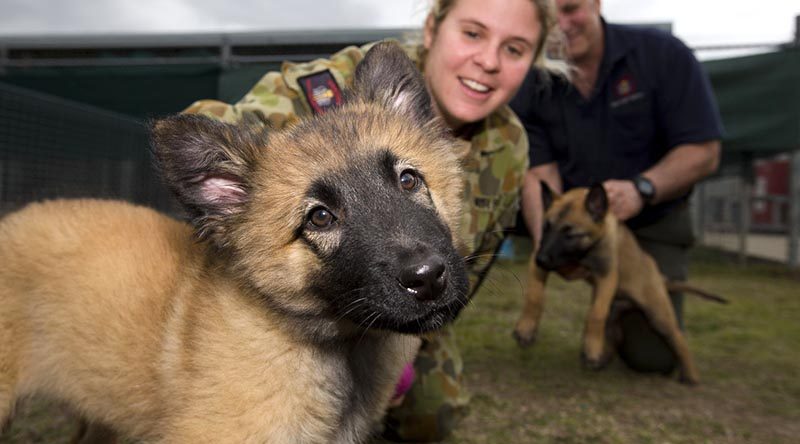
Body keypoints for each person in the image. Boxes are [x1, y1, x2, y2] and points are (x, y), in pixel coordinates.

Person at [183, 0, 558, 440]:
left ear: (533, 60)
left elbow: (466, 271)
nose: (489, 61)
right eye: (473, 34)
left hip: (422, 288)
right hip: (323, 303)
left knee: (431, 415)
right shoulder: (332, 86)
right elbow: (206, 136)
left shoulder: (509, 140)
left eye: (514, 49)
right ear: (434, 29)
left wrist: (401, 347)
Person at [510, 0, 723, 375]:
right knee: (552, 247)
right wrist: (550, 240)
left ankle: (613, 323)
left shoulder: (662, 55)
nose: (561, 24)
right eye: (549, 15)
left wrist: (643, 189)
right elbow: (538, 175)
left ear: (596, 3)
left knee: (653, 359)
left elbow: (705, 151)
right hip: (576, 223)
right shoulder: (534, 78)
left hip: (653, 219)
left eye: (571, 8)